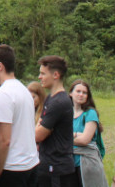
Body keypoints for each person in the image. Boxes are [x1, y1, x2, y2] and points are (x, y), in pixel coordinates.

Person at [0, 44, 39, 186]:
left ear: (0, 66)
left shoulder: (3, 93)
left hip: (12, 168)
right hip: (31, 164)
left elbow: (4, 139)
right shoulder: (24, 90)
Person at [34, 56, 76, 187]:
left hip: (57, 169)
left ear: (56, 75)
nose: (39, 77)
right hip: (47, 165)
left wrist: (40, 128)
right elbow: (39, 126)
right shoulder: (50, 99)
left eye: (43, 73)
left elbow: (38, 135)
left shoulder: (60, 102)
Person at [68, 80, 106, 187]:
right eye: (78, 91)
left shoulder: (90, 113)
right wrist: (77, 135)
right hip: (69, 164)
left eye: (84, 93)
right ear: (71, 93)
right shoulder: (66, 113)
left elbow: (85, 140)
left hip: (87, 164)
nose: (81, 95)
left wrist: (68, 137)